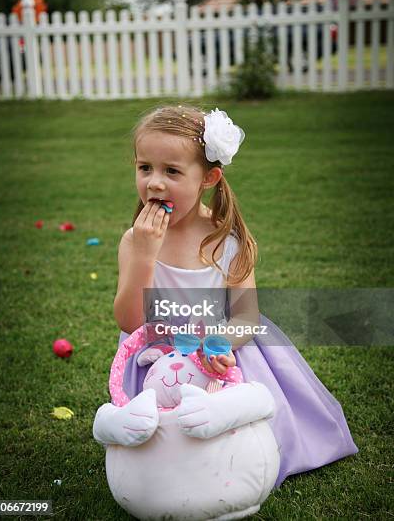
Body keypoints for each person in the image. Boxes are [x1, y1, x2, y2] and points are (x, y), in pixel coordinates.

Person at [113, 104, 358, 487]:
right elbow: (129, 322)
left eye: (172, 171)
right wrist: (144, 256)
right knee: (167, 452)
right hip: (157, 359)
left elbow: (246, 318)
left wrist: (210, 348)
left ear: (208, 177)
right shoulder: (135, 241)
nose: (155, 183)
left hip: (221, 354)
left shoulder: (227, 241)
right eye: (145, 168)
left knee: (239, 438)